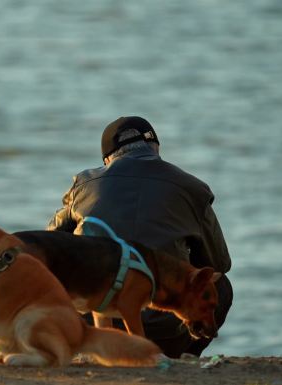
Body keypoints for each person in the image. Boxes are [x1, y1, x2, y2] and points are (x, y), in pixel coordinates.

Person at [47, 116, 233, 358]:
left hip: (92, 326)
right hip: (165, 329)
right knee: (220, 286)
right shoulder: (192, 188)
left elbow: (50, 243)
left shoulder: (85, 184)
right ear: (155, 147)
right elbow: (218, 264)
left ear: (107, 159)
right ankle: (181, 356)